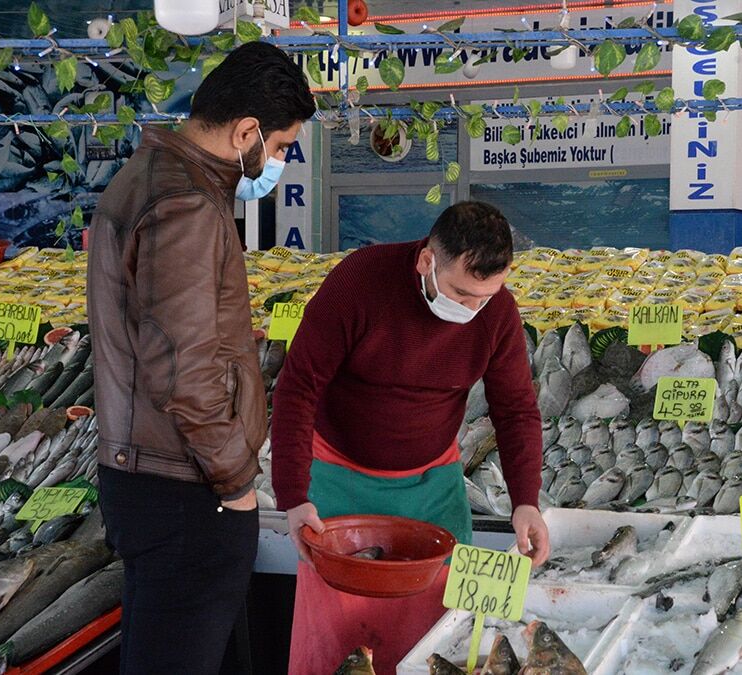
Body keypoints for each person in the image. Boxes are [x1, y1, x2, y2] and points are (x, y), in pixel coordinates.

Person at [87, 42, 315, 674]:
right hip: (184, 490)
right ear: (245, 130)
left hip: (158, 479)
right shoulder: (185, 204)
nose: (275, 162)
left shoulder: (155, 179)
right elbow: (185, 371)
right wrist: (235, 482)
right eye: (276, 147)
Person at [271, 201, 550, 674]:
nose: (470, 309)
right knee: (340, 632)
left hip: (432, 484)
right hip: (341, 480)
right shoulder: (358, 282)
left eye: (483, 296)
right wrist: (294, 496)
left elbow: (517, 409)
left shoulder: (497, 312)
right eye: (460, 293)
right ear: (426, 261)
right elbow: (298, 388)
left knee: (436, 633)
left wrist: (526, 500)